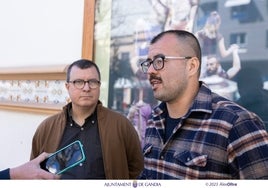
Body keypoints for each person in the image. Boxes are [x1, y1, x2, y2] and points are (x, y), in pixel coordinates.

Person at [139, 30, 268, 179]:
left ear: (191, 66)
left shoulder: (236, 123)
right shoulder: (154, 120)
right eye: (148, 63)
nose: (149, 71)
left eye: (159, 61)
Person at [30, 59, 143, 179]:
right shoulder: (47, 128)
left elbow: (137, 168)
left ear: (99, 86)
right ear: (67, 87)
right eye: (79, 82)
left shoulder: (121, 125)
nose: (86, 88)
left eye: (92, 82)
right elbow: (34, 171)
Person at [195, 11, 239, 78]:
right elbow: (224, 54)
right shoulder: (219, 36)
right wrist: (232, 49)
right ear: (218, 23)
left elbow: (192, 41)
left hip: (203, 61)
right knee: (223, 77)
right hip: (214, 61)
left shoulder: (201, 33)